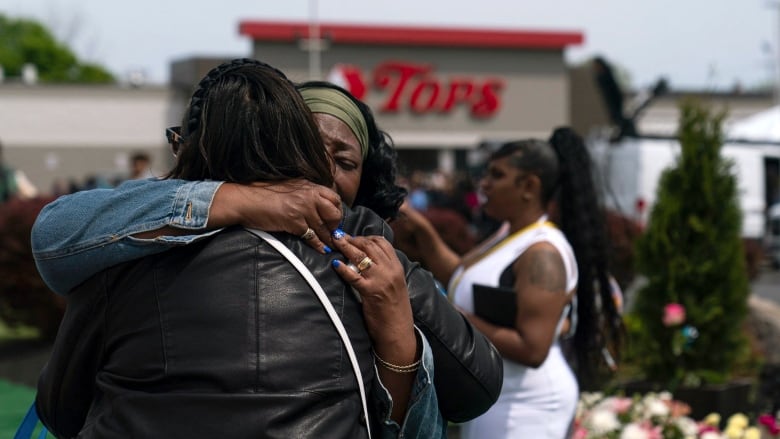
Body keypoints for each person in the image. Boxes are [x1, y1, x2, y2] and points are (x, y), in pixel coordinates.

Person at [32, 78, 502, 425]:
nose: (324, 173)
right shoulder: (146, 231)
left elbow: (61, 409)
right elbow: (54, 232)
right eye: (310, 150)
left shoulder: (372, 257)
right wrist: (240, 201)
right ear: (275, 146)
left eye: (345, 162)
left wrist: (400, 337)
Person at [392, 128, 623, 438]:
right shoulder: (509, 233)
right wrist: (421, 228)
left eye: (496, 175)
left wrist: (448, 317)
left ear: (529, 186)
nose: (484, 184)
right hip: (500, 397)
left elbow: (533, 348)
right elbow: (461, 277)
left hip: (528, 406)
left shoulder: (543, 252)